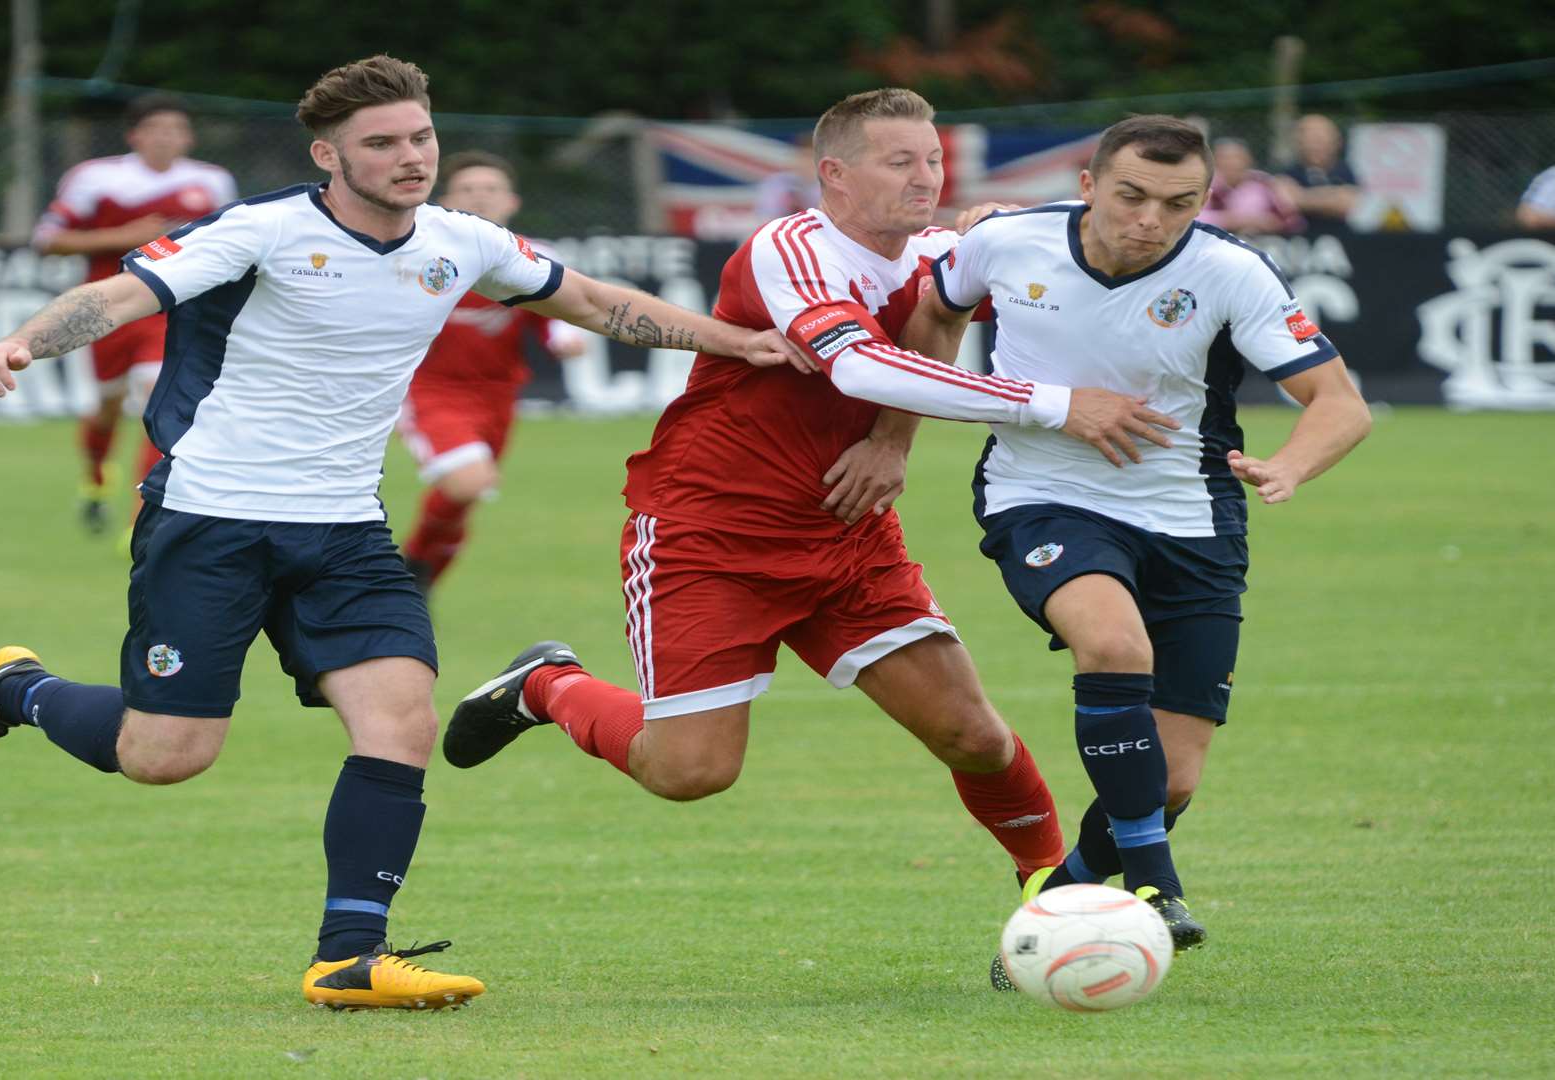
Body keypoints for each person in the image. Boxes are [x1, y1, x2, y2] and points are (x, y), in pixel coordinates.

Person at [0, 55, 805, 1013]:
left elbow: (592, 303)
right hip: (211, 519)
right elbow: (121, 297)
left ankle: (350, 956)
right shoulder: (260, 230)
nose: (410, 157)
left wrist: (739, 342)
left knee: (402, 720)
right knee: (165, 756)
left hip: (344, 528)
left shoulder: (463, 241)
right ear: (328, 154)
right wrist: (23, 343)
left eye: (420, 137)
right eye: (383, 143)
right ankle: (15, 689)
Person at [442, 90, 1183, 911]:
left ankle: (1051, 894)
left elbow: (966, 307)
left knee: (970, 733)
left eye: (934, 159)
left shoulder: (944, 249)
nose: (926, 178)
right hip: (710, 533)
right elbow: (862, 365)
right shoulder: (789, 250)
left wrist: (893, 442)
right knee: (690, 772)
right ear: (834, 174)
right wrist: (1055, 402)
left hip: (846, 533)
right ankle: (547, 684)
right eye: (900, 161)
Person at [913, 115, 1372, 972]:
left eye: (1178, 203)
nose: (1151, 219)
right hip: (1043, 495)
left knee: (1171, 781)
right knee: (1112, 642)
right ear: (1087, 186)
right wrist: (934, 410)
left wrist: (1290, 468)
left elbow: (1340, 404)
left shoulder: (1231, 270)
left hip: (1194, 518)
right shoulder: (1010, 243)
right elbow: (934, 310)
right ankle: (1156, 883)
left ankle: (1053, 912)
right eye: (1131, 195)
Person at [33, 94, 236, 536]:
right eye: (156, 128)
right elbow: (48, 239)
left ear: (188, 137)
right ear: (134, 135)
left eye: (176, 129)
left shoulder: (213, 183)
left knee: (156, 401)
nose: (166, 138)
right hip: (111, 309)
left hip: (173, 311)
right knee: (107, 408)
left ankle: (140, 517)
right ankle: (95, 478)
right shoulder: (96, 178)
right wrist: (126, 236)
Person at [397, 150, 586, 592]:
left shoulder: (533, 255)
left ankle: (418, 581)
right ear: (445, 200)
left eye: (490, 190)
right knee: (469, 481)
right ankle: (408, 571)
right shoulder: (418, 252)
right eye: (468, 190)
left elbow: (552, 314)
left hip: (499, 394)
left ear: (511, 202)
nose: (479, 198)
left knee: (465, 498)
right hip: (432, 389)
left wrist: (561, 338)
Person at [1198, 138, 1303, 236]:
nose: (1231, 163)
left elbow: (1292, 220)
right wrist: (1234, 220)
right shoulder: (1205, 185)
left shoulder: (1264, 182)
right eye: (1224, 158)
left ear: (1248, 159)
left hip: (1265, 241)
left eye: (1236, 157)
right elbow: (1194, 218)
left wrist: (1270, 223)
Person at [1275, 114, 1360, 225]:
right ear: (1298, 142)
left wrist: (1302, 197)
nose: (1314, 144)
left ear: (1337, 142)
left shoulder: (1345, 171)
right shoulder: (1287, 173)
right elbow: (1286, 201)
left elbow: (1351, 203)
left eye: (1321, 138)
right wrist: (1335, 196)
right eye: (1309, 138)